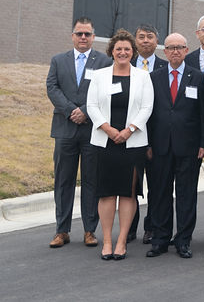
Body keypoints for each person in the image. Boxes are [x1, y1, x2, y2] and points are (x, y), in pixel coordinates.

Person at [86, 29, 154, 260]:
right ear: (111, 52)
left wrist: (129, 130)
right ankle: (107, 240)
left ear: (133, 52)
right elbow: (92, 105)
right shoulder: (99, 76)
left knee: (127, 194)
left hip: (132, 143)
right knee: (106, 194)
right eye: (119, 49)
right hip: (105, 142)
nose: (123, 52)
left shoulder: (143, 77)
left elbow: (147, 107)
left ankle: (122, 241)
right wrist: (108, 129)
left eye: (127, 49)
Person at [45, 17, 111, 249]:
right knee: (64, 181)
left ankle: (89, 230)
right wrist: (71, 110)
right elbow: (52, 87)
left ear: (94, 37)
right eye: (79, 33)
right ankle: (61, 230)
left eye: (87, 34)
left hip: (93, 129)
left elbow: (105, 91)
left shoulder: (104, 61)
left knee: (91, 180)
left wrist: (85, 111)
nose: (83, 37)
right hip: (65, 128)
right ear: (72, 36)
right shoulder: (58, 60)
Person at [145, 33, 204, 259]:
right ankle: (160, 240)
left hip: (189, 147)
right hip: (160, 146)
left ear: (186, 50)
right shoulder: (154, 78)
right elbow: (149, 114)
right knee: (160, 194)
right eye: (171, 48)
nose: (175, 51)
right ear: (165, 51)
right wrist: (148, 144)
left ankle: (183, 240)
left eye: (179, 47)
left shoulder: (198, 77)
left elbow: (203, 114)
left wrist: (203, 143)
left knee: (186, 195)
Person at [132, 24, 164, 243]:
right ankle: (129, 227)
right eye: (141, 37)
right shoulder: (124, 65)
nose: (145, 41)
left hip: (158, 135)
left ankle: (151, 227)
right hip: (130, 135)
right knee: (131, 185)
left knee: (156, 185)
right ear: (135, 40)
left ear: (156, 41)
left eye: (149, 37)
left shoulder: (164, 66)